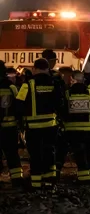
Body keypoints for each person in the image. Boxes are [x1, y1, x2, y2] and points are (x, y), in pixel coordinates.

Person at [15, 58, 65, 189]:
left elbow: (18, 105)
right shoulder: (54, 83)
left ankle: (36, 184)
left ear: (34, 68)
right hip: (50, 126)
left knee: (36, 155)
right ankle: (50, 182)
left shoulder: (28, 84)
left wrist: (20, 122)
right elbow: (61, 103)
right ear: (48, 68)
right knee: (50, 152)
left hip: (33, 128)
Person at [64, 71, 90, 183]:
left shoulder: (67, 94)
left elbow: (63, 110)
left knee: (79, 154)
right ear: (83, 79)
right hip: (89, 130)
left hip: (73, 130)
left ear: (72, 79)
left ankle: (83, 179)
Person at [0, 63, 24, 187]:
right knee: (12, 154)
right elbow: (19, 106)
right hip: (10, 128)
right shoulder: (12, 88)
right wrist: (21, 124)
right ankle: (17, 179)